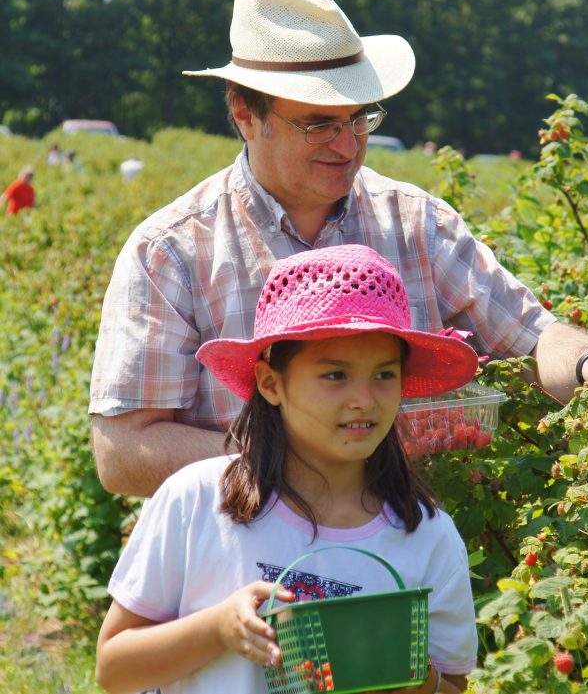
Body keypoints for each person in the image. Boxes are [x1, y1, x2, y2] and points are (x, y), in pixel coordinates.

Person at [89, 0, 588, 498]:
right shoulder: (172, 251)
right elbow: (123, 452)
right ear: (245, 113)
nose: (347, 145)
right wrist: (297, 464)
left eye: (360, 119)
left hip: (405, 549)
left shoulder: (416, 223)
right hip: (241, 568)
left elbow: (533, 337)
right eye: (318, 124)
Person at [96, 244, 480, 694]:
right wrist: (219, 628)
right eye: (335, 375)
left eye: (384, 375)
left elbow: (452, 685)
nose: (365, 398)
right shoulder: (197, 500)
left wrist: (405, 674)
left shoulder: (428, 537)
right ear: (271, 383)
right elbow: (114, 670)